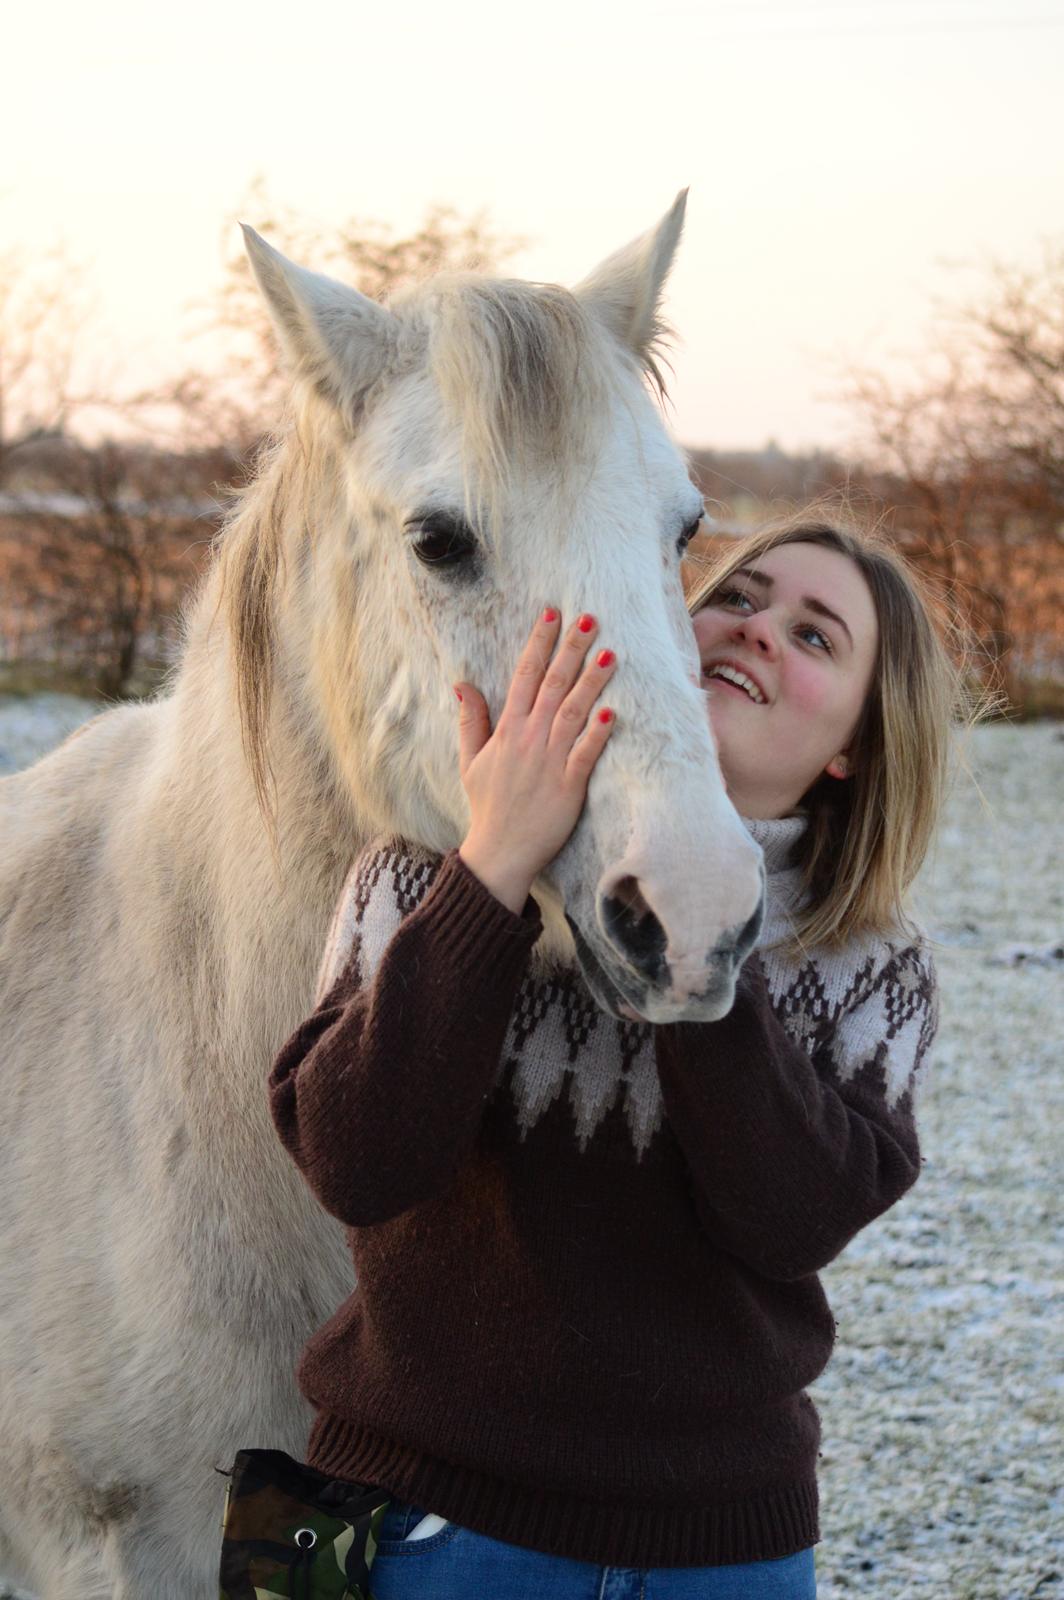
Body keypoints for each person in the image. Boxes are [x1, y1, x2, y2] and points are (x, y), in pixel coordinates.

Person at [267, 511, 966, 1599]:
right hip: (398, 1519)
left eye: (815, 634)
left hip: (721, 1553)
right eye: (734, 595)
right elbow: (352, 1164)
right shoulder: (416, 877)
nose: (756, 629)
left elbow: (790, 1220)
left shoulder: (872, 965)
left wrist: (696, 907)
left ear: (853, 748)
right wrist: (495, 863)